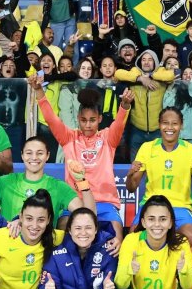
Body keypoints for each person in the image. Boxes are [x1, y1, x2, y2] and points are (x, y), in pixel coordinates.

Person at [36, 78, 133, 241]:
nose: (88, 125)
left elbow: (119, 124)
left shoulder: (108, 138)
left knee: (116, 239)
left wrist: (124, 106)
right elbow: (51, 119)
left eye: (92, 120)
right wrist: (39, 91)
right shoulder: (68, 138)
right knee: (62, 232)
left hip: (105, 203)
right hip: (75, 202)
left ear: (100, 119)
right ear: (78, 118)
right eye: (83, 120)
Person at [126, 106, 192, 243]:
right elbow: (131, 188)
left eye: (174, 123)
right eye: (165, 123)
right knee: (133, 238)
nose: (169, 127)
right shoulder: (147, 148)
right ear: (159, 124)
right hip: (152, 204)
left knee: (191, 237)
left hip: (181, 207)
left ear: (181, 125)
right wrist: (130, 175)